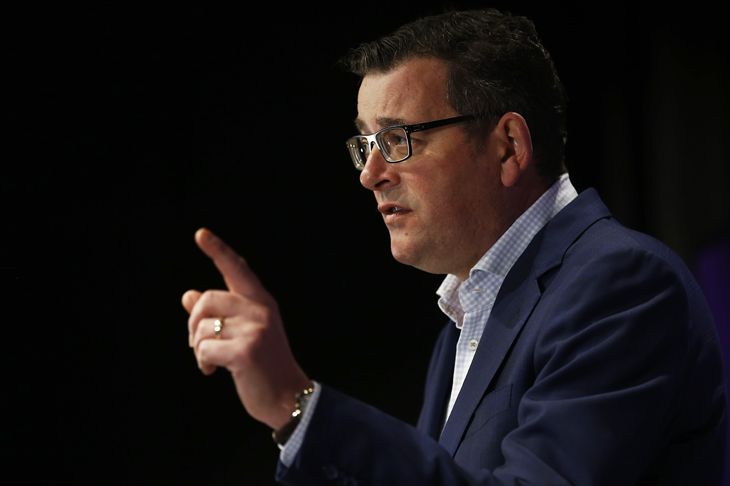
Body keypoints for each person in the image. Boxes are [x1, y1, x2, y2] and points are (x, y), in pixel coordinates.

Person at [183, 9, 727, 485]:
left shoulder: (621, 283)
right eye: (366, 144)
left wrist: (295, 402)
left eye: (398, 139)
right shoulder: (467, 320)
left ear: (508, 146)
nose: (370, 174)